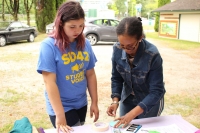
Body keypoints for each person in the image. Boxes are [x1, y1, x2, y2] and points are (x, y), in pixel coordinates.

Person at [37, 1, 99, 133]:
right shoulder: (48, 46)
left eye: (81, 25)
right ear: (61, 24)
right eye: (72, 26)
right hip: (62, 106)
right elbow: (49, 82)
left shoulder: (85, 43)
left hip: (81, 103)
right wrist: (60, 115)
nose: (78, 30)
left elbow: (90, 74)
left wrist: (94, 101)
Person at [106, 17, 165, 128]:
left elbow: (156, 91)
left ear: (140, 38)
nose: (125, 50)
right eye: (122, 45)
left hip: (149, 101)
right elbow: (116, 78)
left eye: (130, 46)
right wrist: (115, 101)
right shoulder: (117, 49)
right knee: (124, 128)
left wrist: (132, 114)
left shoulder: (152, 55)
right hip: (128, 98)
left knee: (145, 129)